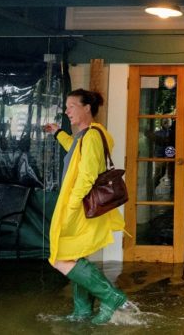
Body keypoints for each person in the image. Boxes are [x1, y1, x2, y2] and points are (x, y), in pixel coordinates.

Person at [43, 89, 127, 325]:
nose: (67, 111)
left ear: (86, 107)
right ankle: (82, 311)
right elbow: (74, 148)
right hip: (81, 205)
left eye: (71, 106)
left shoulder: (91, 136)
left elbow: (87, 175)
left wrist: (70, 206)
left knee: (60, 257)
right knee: (76, 256)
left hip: (79, 206)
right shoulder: (89, 135)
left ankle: (111, 297)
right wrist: (58, 132)